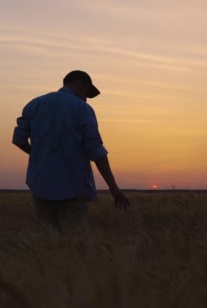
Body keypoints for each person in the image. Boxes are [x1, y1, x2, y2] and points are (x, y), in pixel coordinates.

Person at [12, 70, 130, 232]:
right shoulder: (82, 109)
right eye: (87, 93)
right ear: (79, 83)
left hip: (41, 185)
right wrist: (114, 189)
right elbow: (96, 150)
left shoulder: (34, 104)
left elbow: (18, 140)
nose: (86, 98)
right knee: (74, 241)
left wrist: (40, 156)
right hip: (73, 186)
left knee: (47, 241)